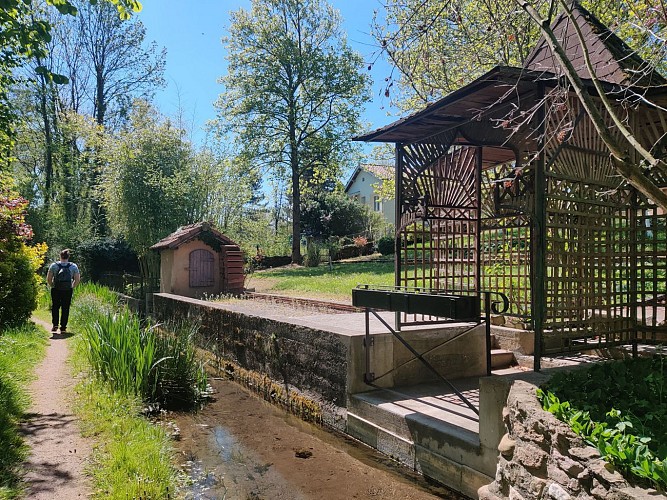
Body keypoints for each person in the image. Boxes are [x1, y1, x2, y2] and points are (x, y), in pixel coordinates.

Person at [46, 249, 81, 333]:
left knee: (55, 307)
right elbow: (77, 279)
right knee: (65, 308)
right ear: (68, 257)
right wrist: (72, 286)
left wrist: (53, 286)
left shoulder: (54, 265)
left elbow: (49, 279)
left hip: (56, 289)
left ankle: (55, 325)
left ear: (60, 256)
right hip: (67, 290)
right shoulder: (73, 266)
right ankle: (63, 327)